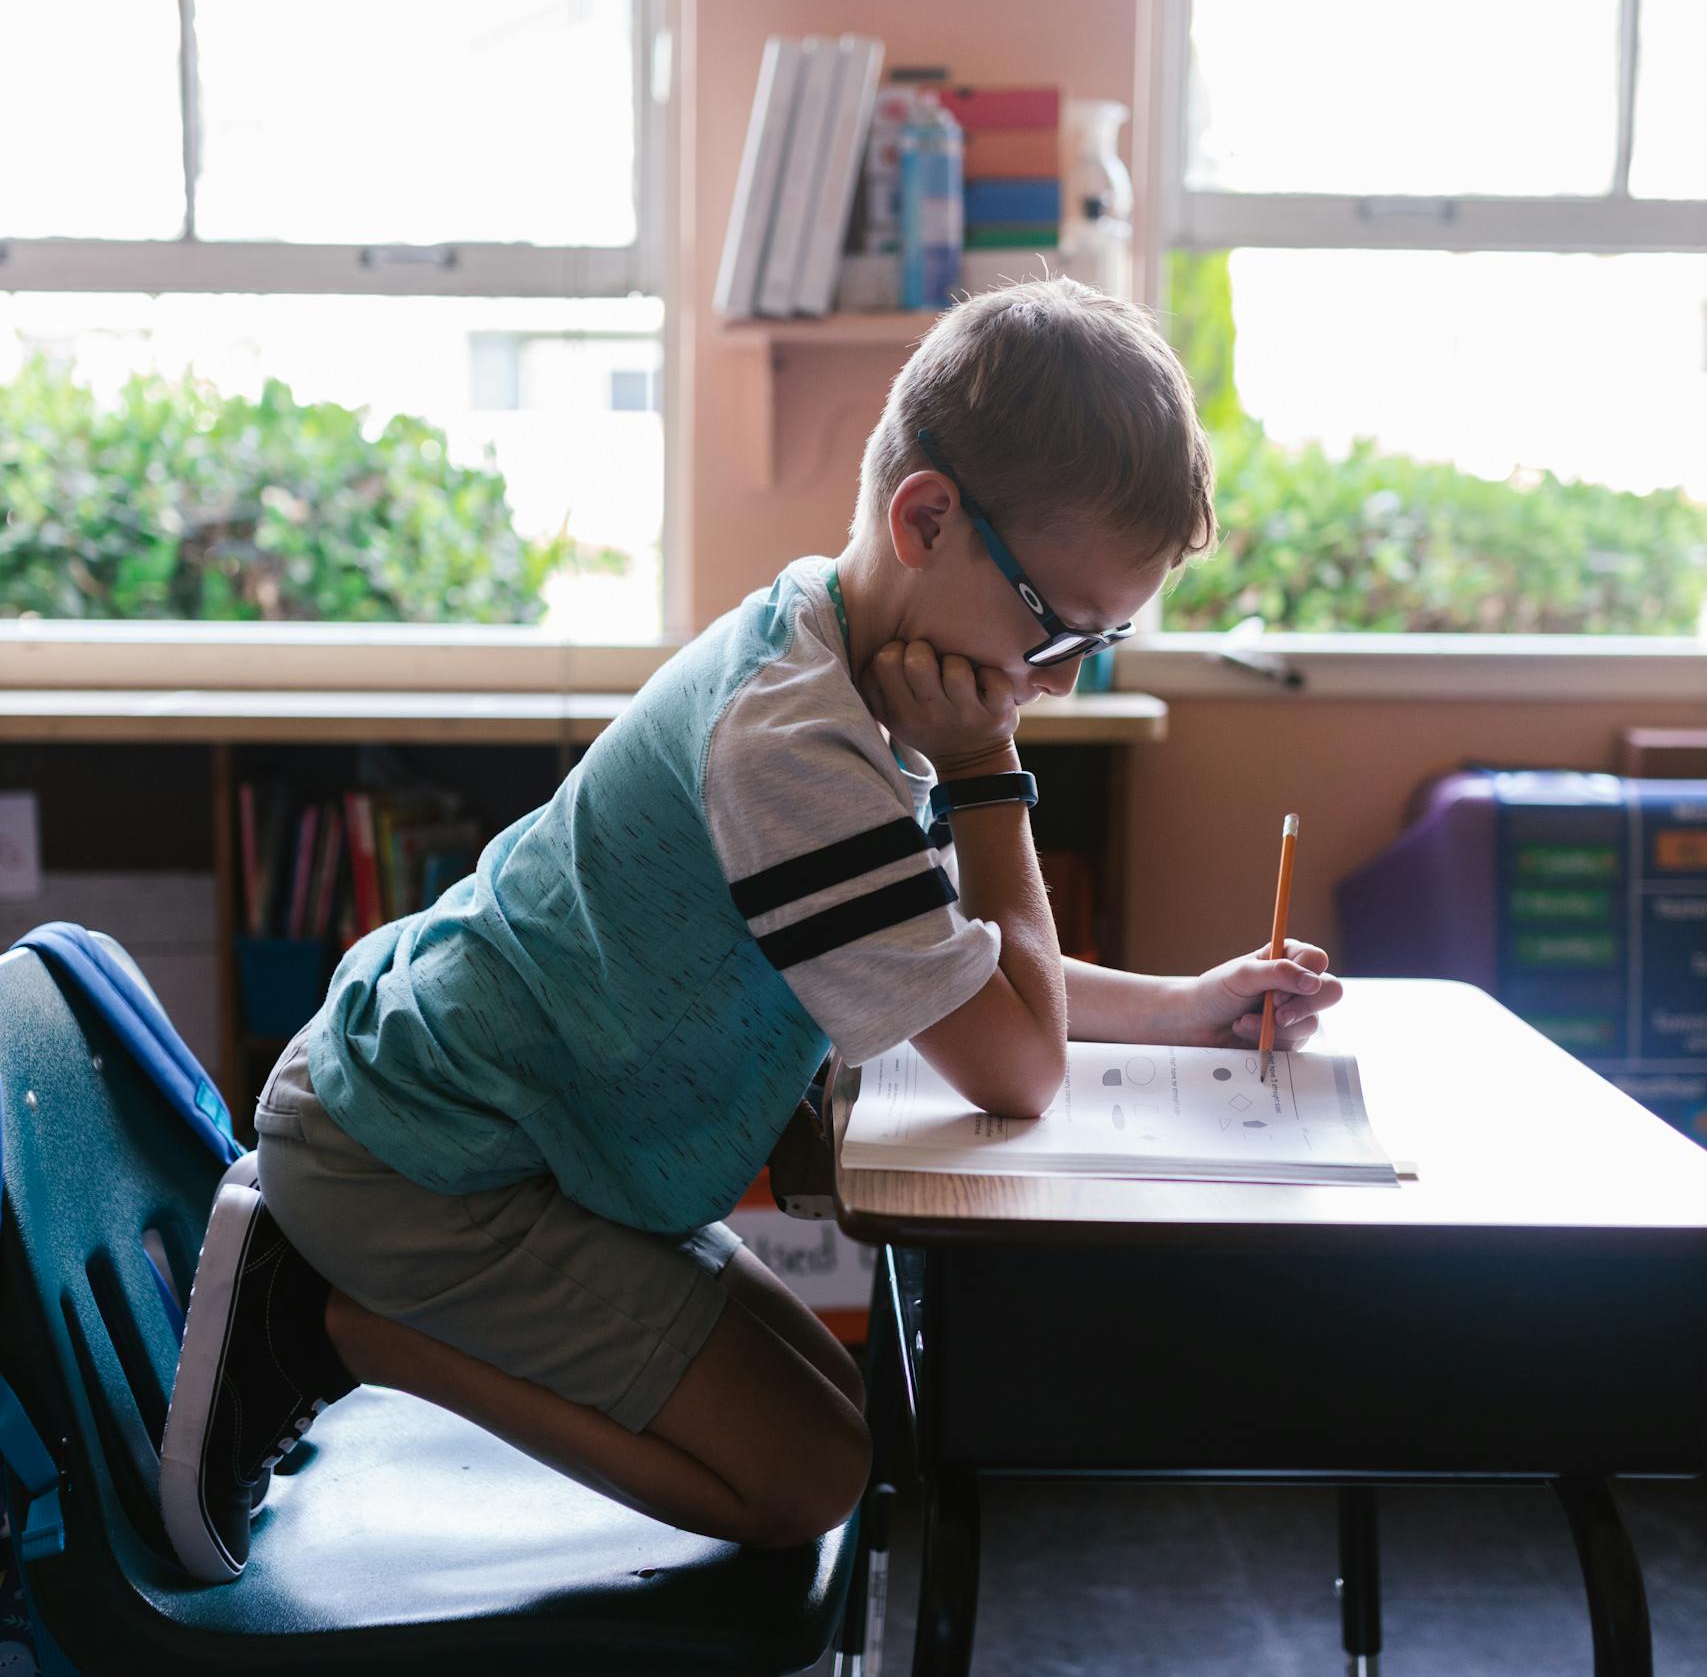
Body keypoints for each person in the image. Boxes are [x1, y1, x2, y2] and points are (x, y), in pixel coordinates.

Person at [159, 278, 1342, 1583]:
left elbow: (960, 974)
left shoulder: (834, 649)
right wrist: (991, 774)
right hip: (425, 1163)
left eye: (1102, 642)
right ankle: (325, 1325)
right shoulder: (796, 749)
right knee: (804, 1480)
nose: (1060, 676)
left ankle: (343, 1305)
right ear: (929, 518)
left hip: (514, 1141)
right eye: (1057, 626)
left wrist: (1187, 1004)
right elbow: (1018, 1065)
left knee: (845, 1422)